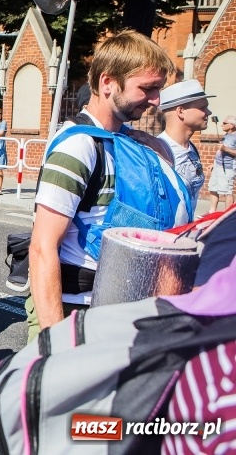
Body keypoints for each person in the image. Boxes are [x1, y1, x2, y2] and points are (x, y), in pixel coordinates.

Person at [27, 30, 191, 342]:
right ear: (107, 83)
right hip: (79, 313)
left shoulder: (134, 144)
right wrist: (55, 342)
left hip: (124, 311)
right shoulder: (78, 147)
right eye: (147, 88)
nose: (156, 101)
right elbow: (42, 247)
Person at [157, 80, 212, 213]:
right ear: (181, 111)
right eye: (202, 107)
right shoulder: (158, 151)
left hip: (184, 231)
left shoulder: (191, 149)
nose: (209, 112)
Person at [207, 115, 236, 213]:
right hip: (218, 166)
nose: (221, 125)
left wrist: (225, 149)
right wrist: (214, 163)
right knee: (213, 188)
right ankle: (212, 211)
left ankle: (227, 215)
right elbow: (220, 152)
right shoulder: (226, 135)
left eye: (224, 123)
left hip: (227, 168)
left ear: (231, 125)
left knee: (227, 192)